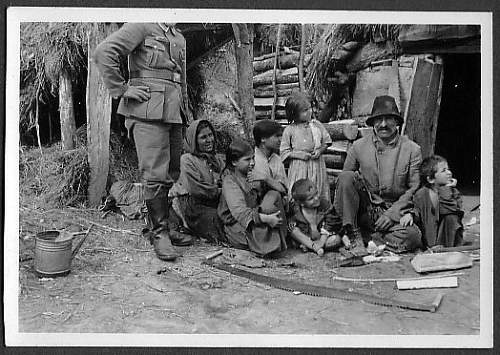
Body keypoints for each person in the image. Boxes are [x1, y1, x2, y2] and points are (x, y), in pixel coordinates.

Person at [93, 23, 193, 261]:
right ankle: (159, 234)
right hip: (148, 110)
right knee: (155, 173)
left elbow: (180, 79)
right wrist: (122, 88)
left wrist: (184, 110)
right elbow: (103, 52)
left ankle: (164, 225)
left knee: (171, 171)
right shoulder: (141, 26)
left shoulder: (177, 36)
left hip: (173, 110)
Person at [334, 95, 423, 254]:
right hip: (365, 210)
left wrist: (392, 215)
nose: (383, 124)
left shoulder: (412, 150)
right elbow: (344, 182)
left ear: (397, 122)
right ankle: (353, 233)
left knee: (413, 236)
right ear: (372, 122)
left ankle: (369, 240)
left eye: (388, 119)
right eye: (378, 119)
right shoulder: (358, 147)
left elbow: (414, 188)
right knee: (346, 176)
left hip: (393, 210)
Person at [217, 138, 287, 256]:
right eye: (247, 160)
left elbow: (283, 190)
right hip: (239, 224)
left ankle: (274, 237)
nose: (252, 163)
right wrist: (267, 219)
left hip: (257, 216)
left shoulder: (252, 176)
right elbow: (240, 213)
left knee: (273, 195)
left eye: (253, 158)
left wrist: (266, 178)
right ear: (234, 162)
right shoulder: (230, 181)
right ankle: (269, 240)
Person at [280, 92, 332, 209]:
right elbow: (284, 151)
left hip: (317, 165)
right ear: (294, 113)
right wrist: (298, 155)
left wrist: (320, 150)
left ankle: (321, 217)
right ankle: (298, 217)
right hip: (300, 168)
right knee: (300, 192)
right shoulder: (290, 130)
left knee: (317, 189)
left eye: (310, 108)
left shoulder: (316, 125)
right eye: (304, 110)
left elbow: (327, 141)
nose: (310, 112)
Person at [178, 120, 225, 243]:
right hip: (197, 207)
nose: (209, 140)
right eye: (203, 137)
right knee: (220, 221)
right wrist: (221, 190)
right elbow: (196, 189)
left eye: (210, 135)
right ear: (194, 140)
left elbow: (227, 179)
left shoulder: (217, 159)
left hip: (217, 201)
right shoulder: (187, 160)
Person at [413, 155, 464, 248]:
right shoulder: (421, 195)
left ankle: (445, 247)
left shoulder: (453, 192)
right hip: (428, 239)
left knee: (451, 217)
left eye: (448, 169)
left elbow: (449, 210)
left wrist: (446, 189)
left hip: (448, 239)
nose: (449, 173)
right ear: (431, 179)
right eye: (444, 170)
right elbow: (417, 213)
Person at [288, 179, 342, 257]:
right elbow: (290, 222)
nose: (316, 198)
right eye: (311, 198)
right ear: (301, 203)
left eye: (316, 194)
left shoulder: (324, 205)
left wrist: (321, 242)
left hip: (323, 237)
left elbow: (331, 223)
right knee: (293, 231)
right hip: (307, 238)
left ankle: (313, 247)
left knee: (336, 239)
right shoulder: (296, 210)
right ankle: (313, 246)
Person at [249, 119, 288, 197]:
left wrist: (266, 178)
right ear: (263, 138)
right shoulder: (250, 159)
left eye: (281, 136)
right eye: (277, 136)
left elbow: (283, 189)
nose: (280, 140)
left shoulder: (277, 159)